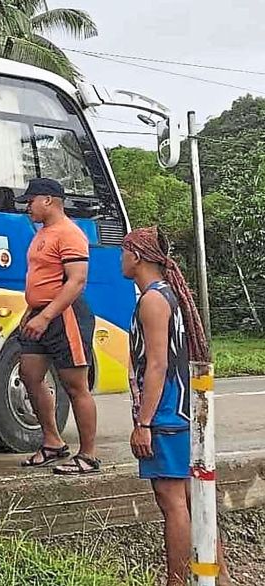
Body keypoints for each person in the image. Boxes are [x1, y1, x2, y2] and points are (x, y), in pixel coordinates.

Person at [122, 227, 211, 586]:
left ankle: (176, 580)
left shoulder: (153, 300)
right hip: (177, 407)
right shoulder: (165, 295)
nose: (121, 259)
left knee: (171, 499)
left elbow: (157, 364)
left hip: (166, 411)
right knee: (193, 501)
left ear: (138, 256)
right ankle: (220, 578)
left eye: (124, 251)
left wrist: (144, 422)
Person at [15, 178, 100, 476]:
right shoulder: (42, 234)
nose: (28, 207)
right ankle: (52, 441)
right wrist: (30, 312)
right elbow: (41, 278)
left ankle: (88, 455)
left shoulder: (69, 233)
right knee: (29, 374)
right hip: (40, 313)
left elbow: (76, 281)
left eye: (31, 201)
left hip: (65, 316)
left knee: (75, 385)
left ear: (49, 200)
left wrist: (46, 315)